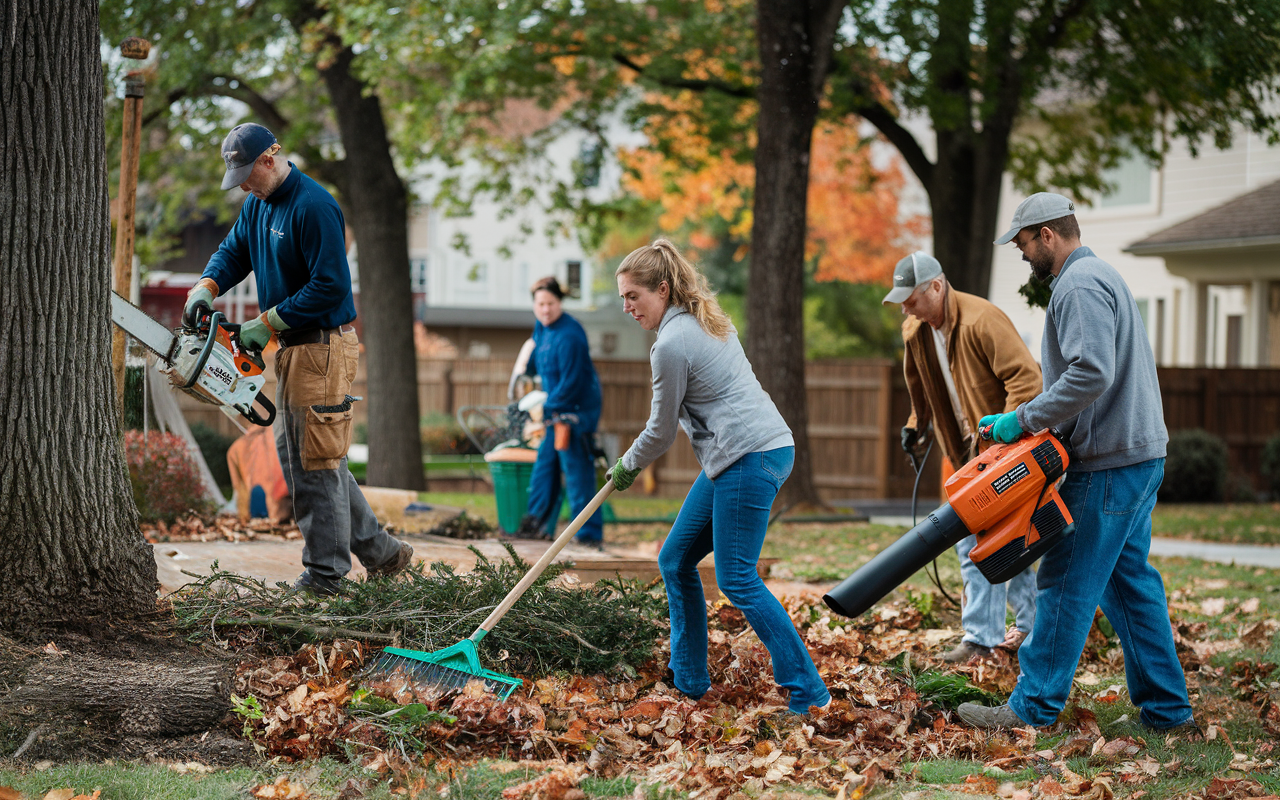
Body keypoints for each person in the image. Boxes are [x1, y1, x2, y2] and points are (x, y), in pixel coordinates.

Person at [957, 193, 1196, 733]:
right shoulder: (1100, 276)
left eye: (1022, 243)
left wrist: (1022, 420)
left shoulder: (1079, 284)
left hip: (1111, 463)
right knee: (1128, 583)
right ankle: (1167, 710)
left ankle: (1030, 709)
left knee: (1063, 579)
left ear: (1047, 234)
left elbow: (1091, 373)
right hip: (1138, 454)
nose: (1021, 254)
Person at [184, 122, 413, 596]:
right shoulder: (257, 205)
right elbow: (233, 252)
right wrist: (206, 286)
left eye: (249, 174)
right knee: (309, 454)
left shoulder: (314, 205)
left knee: (315, 461)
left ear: (271, 158)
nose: (245, 185)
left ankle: (326, 577)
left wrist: (267, 322)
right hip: (294, 349)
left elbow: (330, 284)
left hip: (322, 345)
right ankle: (382, 552)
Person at [608, 239, 830, 715]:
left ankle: (809, 691)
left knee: (737, 577)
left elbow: (661, 431)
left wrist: (626, 465)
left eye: (634, 296)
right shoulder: (703, 320)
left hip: (750, 457)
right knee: (675, 559)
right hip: (749, 453)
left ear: (662, 289)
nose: (627, 307)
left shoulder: (671, 343)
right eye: (622, 297)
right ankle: (689, 679)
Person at [885, 251, 1043, 663]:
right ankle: (1032, 629)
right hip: (965, 454)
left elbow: (1026, 378)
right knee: (1010, 540)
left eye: (912, 297)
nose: (906, 306)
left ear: (936, 286)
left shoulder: (981, 319)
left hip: (1003, 454)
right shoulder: (916, 331)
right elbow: (921, 387)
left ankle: (980, 639)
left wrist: (1008, 438)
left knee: (974, 540)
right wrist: (915, 426)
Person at [512, 276, 605, 547]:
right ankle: (536, 526)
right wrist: (523, 371)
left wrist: (546, 407)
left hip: (576, 412)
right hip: (555, 411)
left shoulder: (570, 335)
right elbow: (534, 360)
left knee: (577, 473)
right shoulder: (542, 329)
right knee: (545, 467)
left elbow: (573, 382)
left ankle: (589, 536)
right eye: (540, 304)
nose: (545, 309)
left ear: (559, 302)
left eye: (550, 303)